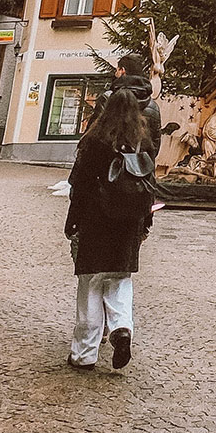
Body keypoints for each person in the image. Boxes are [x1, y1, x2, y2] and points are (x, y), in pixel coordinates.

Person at [65, 87, 155, 372]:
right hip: (128, 224)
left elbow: (78, 186)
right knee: (119, 281)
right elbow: (149, 190)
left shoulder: (95, 143)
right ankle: (122, 328)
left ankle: (84, 355)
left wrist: (72, 222)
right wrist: (145, 223)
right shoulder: (143, 144)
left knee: (91, 284)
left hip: (96, 222)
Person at [112, 54, 162, 154]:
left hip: (110, 165)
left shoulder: (109, 98)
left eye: (117, 70)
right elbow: (155, 145)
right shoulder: (153, 107)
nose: (115, 73)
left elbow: (93, 140)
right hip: (140, 167)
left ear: (122, 70)